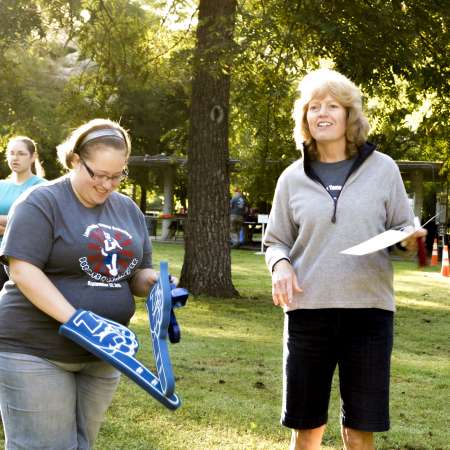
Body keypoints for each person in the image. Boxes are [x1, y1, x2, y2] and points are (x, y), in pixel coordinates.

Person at [263, 69, 426, 450]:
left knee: (359, 430)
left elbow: (403, 232)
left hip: (369, 314)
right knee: (306, 429)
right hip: (308, 313)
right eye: (313, 107)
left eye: (331, 106)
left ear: (349, 114)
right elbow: (275, 242)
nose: (322, 113)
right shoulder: (291, 177)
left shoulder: (384, 169)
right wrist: (280, 265)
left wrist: (408, 241)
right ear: (304, 118)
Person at [0, 119, 159, 449]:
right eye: (98, 174)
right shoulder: (40, 202)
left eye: (116, 176)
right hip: (35, 349)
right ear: (74, 160)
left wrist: (156, 282)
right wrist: (78, 321)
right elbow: (23, 270)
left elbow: (136, 274)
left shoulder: (127, 209)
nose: (106, 185)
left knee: (80, 444)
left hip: (104, 353)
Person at [0, 136, 46, 290]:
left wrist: (8, 228)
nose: (15, 158)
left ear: (33, 157)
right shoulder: (1, 185)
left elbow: (38, 223)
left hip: (24, 259)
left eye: (21, 153)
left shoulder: (43, 188)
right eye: (11, 153)